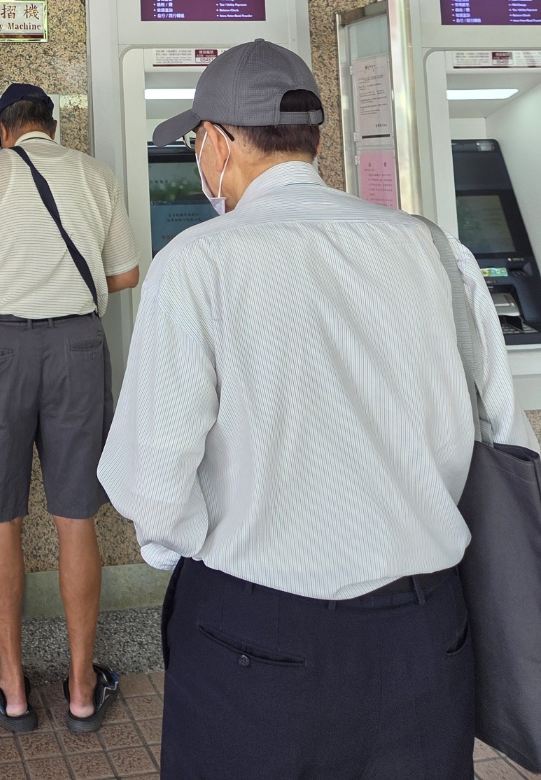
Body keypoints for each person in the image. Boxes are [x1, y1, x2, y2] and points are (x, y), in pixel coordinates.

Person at [98, 39, 539, 780]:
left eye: (197, 143)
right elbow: (501, 435)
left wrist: (204, 555)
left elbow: (153, 485)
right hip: (426, 634)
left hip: (257, 637)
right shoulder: (434, 249)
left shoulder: (198, 264)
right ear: (316, 142)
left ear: (217, 144)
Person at [0, 82, 139, 734]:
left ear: (4, 130)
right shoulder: (95, 174)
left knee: (2, 516)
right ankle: (81, 689)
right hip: (78, 347)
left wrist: (2, 283)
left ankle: (14, 686)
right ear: (52, 127)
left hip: (1, 350)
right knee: (75, 518)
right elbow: (125, 273)